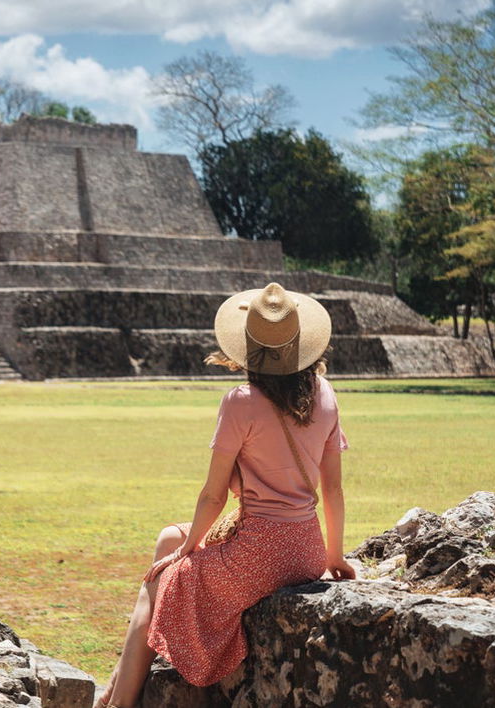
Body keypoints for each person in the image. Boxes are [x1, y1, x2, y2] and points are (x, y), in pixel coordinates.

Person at [94, 282, 357, 708]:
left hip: (257, 554)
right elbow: (333, 488)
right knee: (167, 538)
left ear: (249, 347)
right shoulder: (325, 394)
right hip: (304, 550)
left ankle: (119, 701)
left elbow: (214, 497)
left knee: (160, 576)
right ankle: (111, 690)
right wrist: (333, 556)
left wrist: (188, 552)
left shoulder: (241, 402)